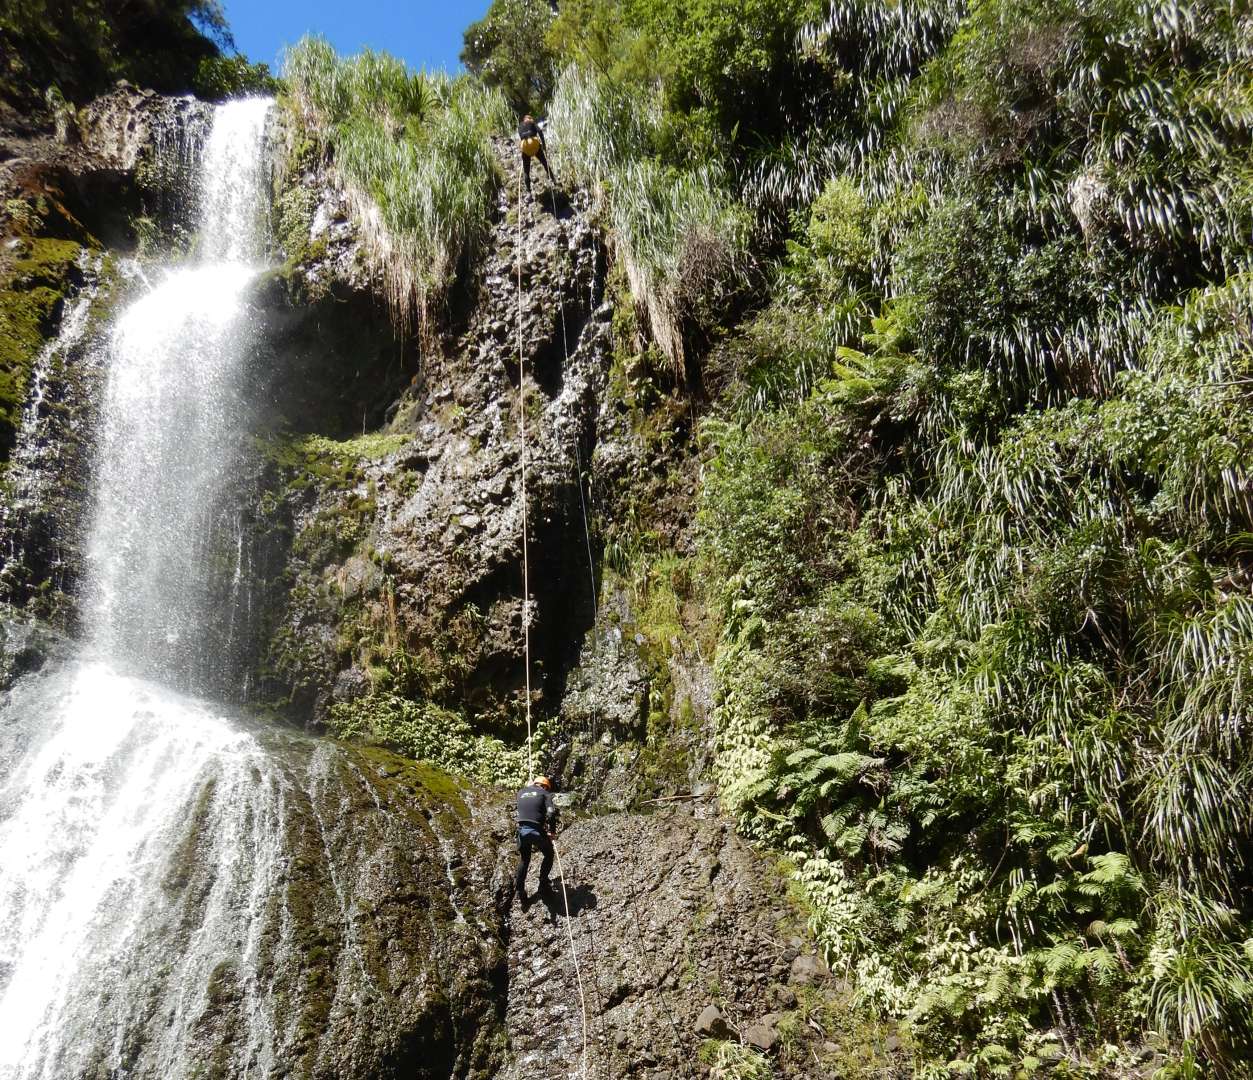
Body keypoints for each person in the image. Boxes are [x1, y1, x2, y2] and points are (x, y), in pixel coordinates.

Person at [515, 774, 557, 904]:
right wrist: (551, 831)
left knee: (524, 859)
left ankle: (520, 890)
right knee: (549, 854)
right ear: (545, 786)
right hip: (536, 831)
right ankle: (543, 883)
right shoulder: (545, 794)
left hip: (522, 831)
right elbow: (551, 813)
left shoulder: (521, 792)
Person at [518, 114, 554, 197]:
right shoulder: (532, 123)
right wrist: (543, 145)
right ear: (530, 119)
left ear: (524, 120)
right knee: (544, 162)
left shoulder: (520, 126)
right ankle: (553, 180)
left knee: (526, 170)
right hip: (534, 143)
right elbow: (540, 132)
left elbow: (521, 137)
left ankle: (528, 192)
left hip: (525, 146)